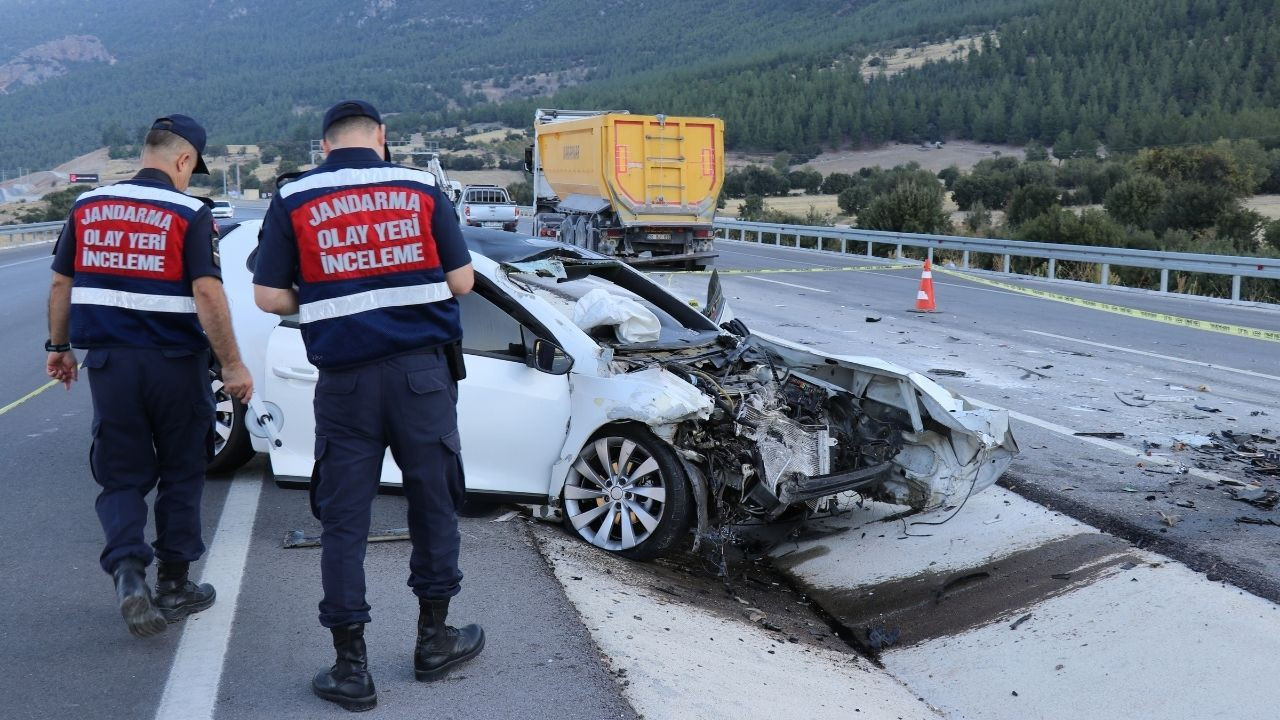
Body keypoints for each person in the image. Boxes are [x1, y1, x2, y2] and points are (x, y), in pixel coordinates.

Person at [253, 100, 481, 712]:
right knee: (434, 503)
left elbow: (268, 295)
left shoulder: (296, 197)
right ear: (382, 137)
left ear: (324, 145)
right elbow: (462, 282)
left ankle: (350, 666)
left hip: (346, 385)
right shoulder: (421, 186)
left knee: (345, 521)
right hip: (421, 379)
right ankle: (434, 640)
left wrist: (333, 290)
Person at [46, 114, 254, 638]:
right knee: (182, 470)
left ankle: (127, 570)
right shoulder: (189, 211)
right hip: (174, 365)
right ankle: (176, 584)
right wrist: (231, 363)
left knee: (121, 474)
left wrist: (59, 347)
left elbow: (60, 283)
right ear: (184, 160)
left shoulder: (87, 206)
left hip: (111, 366)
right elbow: (208, 294)